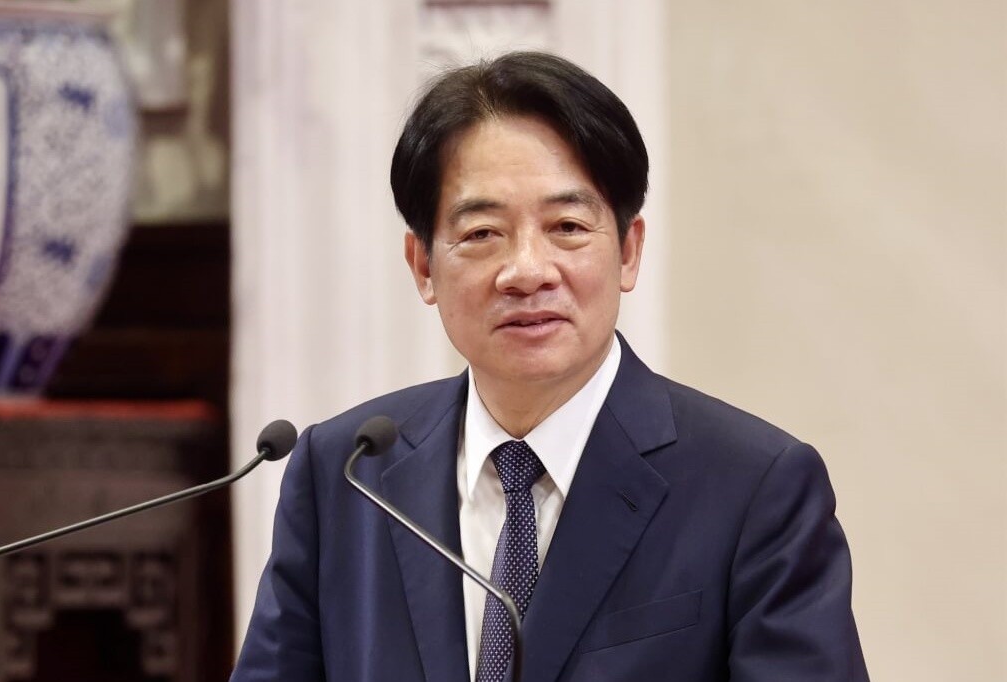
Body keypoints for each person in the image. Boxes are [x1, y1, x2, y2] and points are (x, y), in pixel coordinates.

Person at [231, 51, 869, 681]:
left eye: (566, 226)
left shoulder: (754, 488)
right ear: (423, 265)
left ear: (628, 252)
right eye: (482, 234)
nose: (527, 271)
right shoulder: (346, 473)